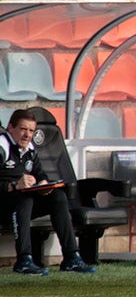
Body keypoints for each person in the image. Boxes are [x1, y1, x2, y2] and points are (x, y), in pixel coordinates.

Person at [0, 109, 95, 275]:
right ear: (11, 128)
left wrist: (43, 184)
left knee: (57, 196)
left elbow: (40, 174)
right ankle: (24, 260)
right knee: (24, 199)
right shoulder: (2, 146)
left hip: (22, 202)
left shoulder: (29, 149)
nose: (27, 135)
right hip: (5, 203)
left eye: (31, 131)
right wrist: (14, 185)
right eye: (23, 129)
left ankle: (71, 257)